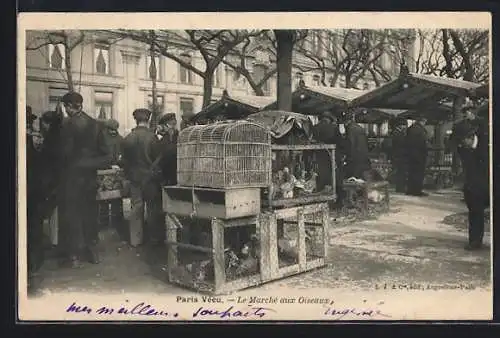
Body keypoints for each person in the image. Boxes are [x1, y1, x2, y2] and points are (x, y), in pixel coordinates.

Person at [58, 92, 112, 267]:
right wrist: (89, 164)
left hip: (71, 178)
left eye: (65, 107)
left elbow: (62, 155)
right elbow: (108, 156)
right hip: (89, 179)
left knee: (71, 214)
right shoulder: (96, 125)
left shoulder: (66, 126)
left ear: (68, 107)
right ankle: (92, 252)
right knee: (90, 214)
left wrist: (78, 164)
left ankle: (73, 256)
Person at [121, 108, 163, 247]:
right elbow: (158, 158)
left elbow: (124, 161)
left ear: (136, 120)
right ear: (148, 120)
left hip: (134, 179)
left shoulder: (128, 138)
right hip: (150, 179)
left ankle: (136, 240)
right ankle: (154, 239)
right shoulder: (152, 137)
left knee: (136, 209)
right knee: (152, 209)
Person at [452, 122, 489, 250]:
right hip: (474, 185)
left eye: (462, 141)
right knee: (474, 212)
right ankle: (474, 241)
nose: (461, 144)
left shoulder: (487, 144)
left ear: (470, 137)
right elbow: (468, 167)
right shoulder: (462, 148)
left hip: (490, 183)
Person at [26, 106, 45, 281]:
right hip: (34, 188)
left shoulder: (33, 140)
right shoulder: (35, 141)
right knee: (34, 225)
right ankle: (33, 262)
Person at [99, 118, 126, 238]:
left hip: (115, 172)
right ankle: (105, 221)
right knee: (104, 198)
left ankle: (116, 222)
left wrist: (119, 162)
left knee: (116, 198)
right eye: (111, 130)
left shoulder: (120, 139)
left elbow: (123, 154)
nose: (114, 132)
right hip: (105, 172)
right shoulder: (101, 139)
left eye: (115, 130)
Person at [312, 111, 343, 201]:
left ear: (321, 119)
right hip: (333, 157)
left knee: (321, 178)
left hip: (320, 158)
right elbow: (340, 142)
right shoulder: (334, 128)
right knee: (335, 177)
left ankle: (321, 200)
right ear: (329, 119)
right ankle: (336, 199)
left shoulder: (315, 128)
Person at [343, 110, 371, 179]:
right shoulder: (360, 128)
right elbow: (366, 143)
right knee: (361, 179)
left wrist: (347, 158)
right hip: (363, 157)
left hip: (354, 159)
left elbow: (351, 144)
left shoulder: (350, 128)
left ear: (346, 122)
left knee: (354, 179)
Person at [405, 116, 429, 196]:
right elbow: (423, 142)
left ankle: (410, 190)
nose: (425, 123)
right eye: (424, 121)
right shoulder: (420, 130)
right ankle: (417, 190)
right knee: (419, 173)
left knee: (412, 172)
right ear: (422, 121)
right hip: (419, 154)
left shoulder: (411, 128)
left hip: (411, 154)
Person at [155, 113, 179, 186]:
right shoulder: (160, 135)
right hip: (166, 169)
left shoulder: (176, 134)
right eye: (169, 125)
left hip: (172, 167)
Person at [389, 116, 408, 193]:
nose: (405, 126)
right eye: (404, 125)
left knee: (400, 172)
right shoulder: (397, 133)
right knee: (401, 173)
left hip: (398, 156)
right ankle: (400, 188)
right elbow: (399, 145)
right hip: (399, 156)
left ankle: (400, 188)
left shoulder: (396, 133)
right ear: (399, 125)